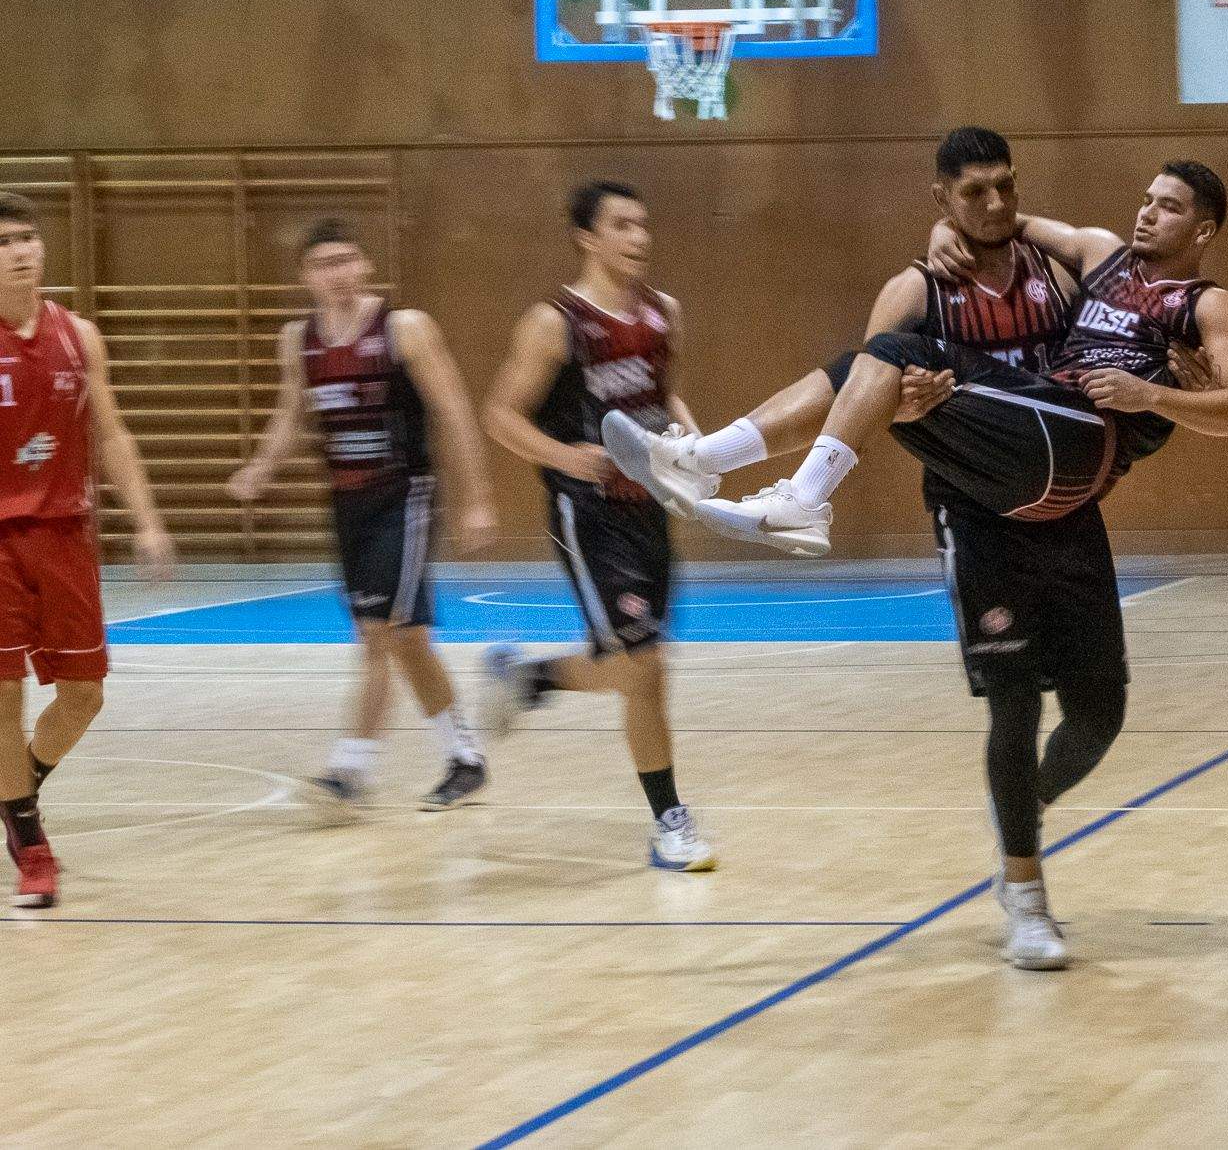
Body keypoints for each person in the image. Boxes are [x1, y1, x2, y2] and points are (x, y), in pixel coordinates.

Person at [609, 158, 1228, 954]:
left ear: (1203, 229)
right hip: (1020, 442)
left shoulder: (1209, 304)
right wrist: (942, 227)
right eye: (1147, 199)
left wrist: (1155, 395)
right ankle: (1025, 894)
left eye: (1169, 208)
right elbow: (1000, 222)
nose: (1147, 214)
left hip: (1078, 447)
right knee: (885, 359)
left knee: (1100, 715)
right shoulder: (1097, 252)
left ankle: (1020, 804)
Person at [482, 180, 715, 871]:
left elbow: (662, 394)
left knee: (642, 667)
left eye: (643, 224)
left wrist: (696, 445)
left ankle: (532, 678)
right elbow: (500, 415)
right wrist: (563, 457)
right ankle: (670, 821)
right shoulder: (554, 323)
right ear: (587, 237)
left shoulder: (664, 313)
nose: (639, 237)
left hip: (649, 508)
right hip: (587, 513)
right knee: (644, 664)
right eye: (621, 225)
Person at [228, 219, 496, 817]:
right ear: (307, 276)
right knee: (408, 641)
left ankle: (350, 771)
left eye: (349, 259)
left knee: (379, 634)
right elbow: (290, 413)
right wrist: (261, 468)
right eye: (326, 264)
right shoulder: (298, 340)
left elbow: (454, 412)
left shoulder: (405, 328)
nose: (341, 273)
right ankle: (465, 758)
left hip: (405, 496)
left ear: (366, 265)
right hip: (348, 504)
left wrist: (477, 499)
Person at [0, 191, 175, 908]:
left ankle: (17, 787)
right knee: (3, 695)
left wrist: (147, 520)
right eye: (5, 241)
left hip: (66, 535)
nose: (21, 251)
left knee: (83, 696)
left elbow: (112, 433)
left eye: (27, 237)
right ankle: (31, 844)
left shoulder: (80, 335)